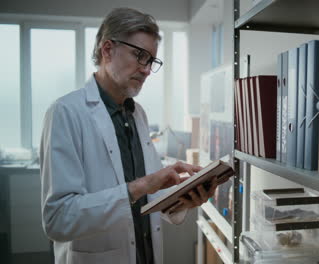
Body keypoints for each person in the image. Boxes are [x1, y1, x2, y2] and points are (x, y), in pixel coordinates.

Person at [40, 8, 218, 264]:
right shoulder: (65, 113)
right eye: (139, 56)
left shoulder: (137, 114)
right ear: (108, 49)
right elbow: (58, 220)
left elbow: (151, 200)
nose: (146, 70)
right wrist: (141, 186)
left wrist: (186, 197)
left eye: (151, 61)